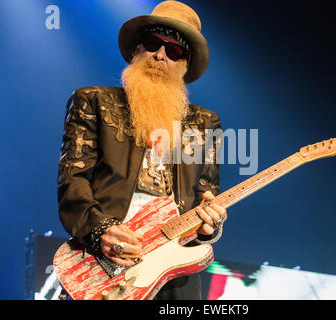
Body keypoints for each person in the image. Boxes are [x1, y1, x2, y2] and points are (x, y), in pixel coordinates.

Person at [57, 1, 227, 300]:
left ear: (184, 64)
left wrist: (210, 226)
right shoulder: (94, 102)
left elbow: (206, 198)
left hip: (174, 268)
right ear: (137, 48)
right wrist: (102, 232)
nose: (160, 55)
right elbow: (73, 181)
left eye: (174, 51)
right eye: (153, 44)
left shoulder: (205, 124)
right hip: (105, 259)